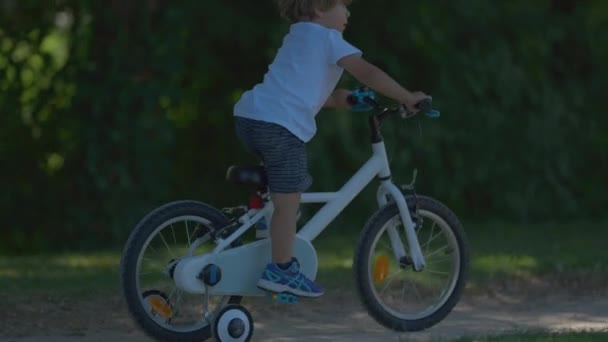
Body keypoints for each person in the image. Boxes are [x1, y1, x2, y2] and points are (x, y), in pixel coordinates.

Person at [233, 0, 429, 298]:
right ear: (319, 8)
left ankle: (265, 237)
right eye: (342, 6)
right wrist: (406, 96)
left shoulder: (297, 35)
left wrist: (349, 100)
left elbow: (317, 96)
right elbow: (369, 73)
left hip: (250, 118)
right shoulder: (328, 39)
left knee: (285, 189)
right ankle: (281, 270)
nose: (348, 14)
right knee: (290, 198)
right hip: (278, 127)